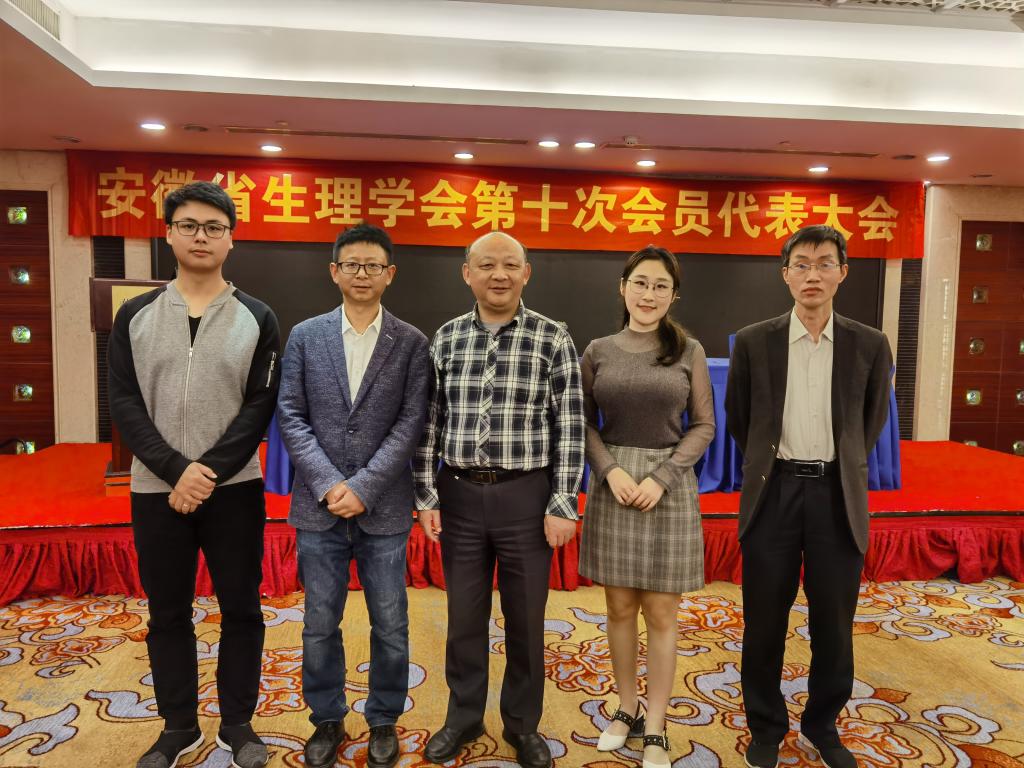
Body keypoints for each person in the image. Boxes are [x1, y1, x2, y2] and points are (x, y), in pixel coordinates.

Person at [108, 181, 280, 768]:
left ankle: (238, 723)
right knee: (167, 613)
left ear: (231, 239)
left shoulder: (257, 316)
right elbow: (124, 402)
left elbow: (260, 404)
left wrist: (207, 472)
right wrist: (177, 470)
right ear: (169, 235)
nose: (201, 236)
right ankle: (178, 725)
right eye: (189, 225)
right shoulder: (134, 315)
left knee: (242, 608)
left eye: (213, 227)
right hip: (156, 490)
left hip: (235, 489)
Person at [413, 232, 584, 768]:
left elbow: (570, 424)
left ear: (526, 272)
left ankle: (522, 725)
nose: (499, 275)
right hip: (459, 496)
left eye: (510, 265)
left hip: (526, 498)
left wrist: (563, 501)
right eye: (487, 265)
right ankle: (463, 717)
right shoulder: (445, 338)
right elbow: (429, 421)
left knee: (526, 620)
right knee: (464, 618)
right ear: (467, 273)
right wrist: (426, 495)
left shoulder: (552, 337)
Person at [725, 225, 892, 768]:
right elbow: (740, 420)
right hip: (773, 493)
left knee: (833, 625)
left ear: (843, 273)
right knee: (764, 621)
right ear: (785, 275)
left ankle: (823, 726)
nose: (812, 274)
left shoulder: (870, 344)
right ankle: (766, 726)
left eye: (824, 263)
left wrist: (837, 464)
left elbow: (870, 422)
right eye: (801, 264)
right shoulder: (754, 341)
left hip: (836, 496)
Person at [276, 223, 429, 768]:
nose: (362, 274)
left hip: (383, 508)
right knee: (320, 623)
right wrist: (328, 483)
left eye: (373, 265)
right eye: (352, 264)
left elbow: (411, 422)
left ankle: (383, 718)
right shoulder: (305, 336)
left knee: (390, 622)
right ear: (335, 271)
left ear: (390, 274)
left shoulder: (411, 342)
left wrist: (363, 487)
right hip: (317, 508)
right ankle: (326, 718)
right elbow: (290, 414)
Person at [578, 246, 715, 768]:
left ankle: (655, 723)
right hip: (613, 484)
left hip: (669, 488)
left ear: (673, 295)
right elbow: (581, 421)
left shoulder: (689, 351)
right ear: (623, 287)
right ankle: (627, 707)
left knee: (660, 612)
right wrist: (609, 470)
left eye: (660, 285)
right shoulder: (598, 350)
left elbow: (704, 425)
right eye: (640, 282)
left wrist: (662, 477)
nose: (649, 294)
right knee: (618, 608)